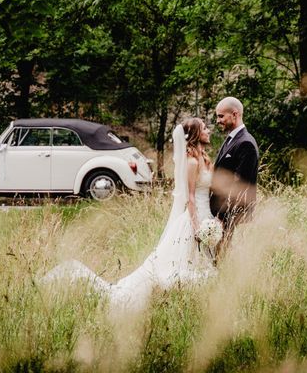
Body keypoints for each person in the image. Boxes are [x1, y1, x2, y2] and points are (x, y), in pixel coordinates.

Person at [42, 118, 217, 312]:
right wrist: (196, 228)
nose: (208, 131)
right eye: (204, 128)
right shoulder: (191, 162)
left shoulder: (205, 159)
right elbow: (190, 199)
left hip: (206, 215)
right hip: (194, 219)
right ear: (194, 134)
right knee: (174, 267)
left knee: (197, 262)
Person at [210, 97, 259, 255]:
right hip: (222, 216)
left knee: (223, 260)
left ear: (235, 114)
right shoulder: (231, 139)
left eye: (221, 116)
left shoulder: (246, 143)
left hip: (233, 217)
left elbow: (239, 185)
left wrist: (222, 217)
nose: (218, 121)